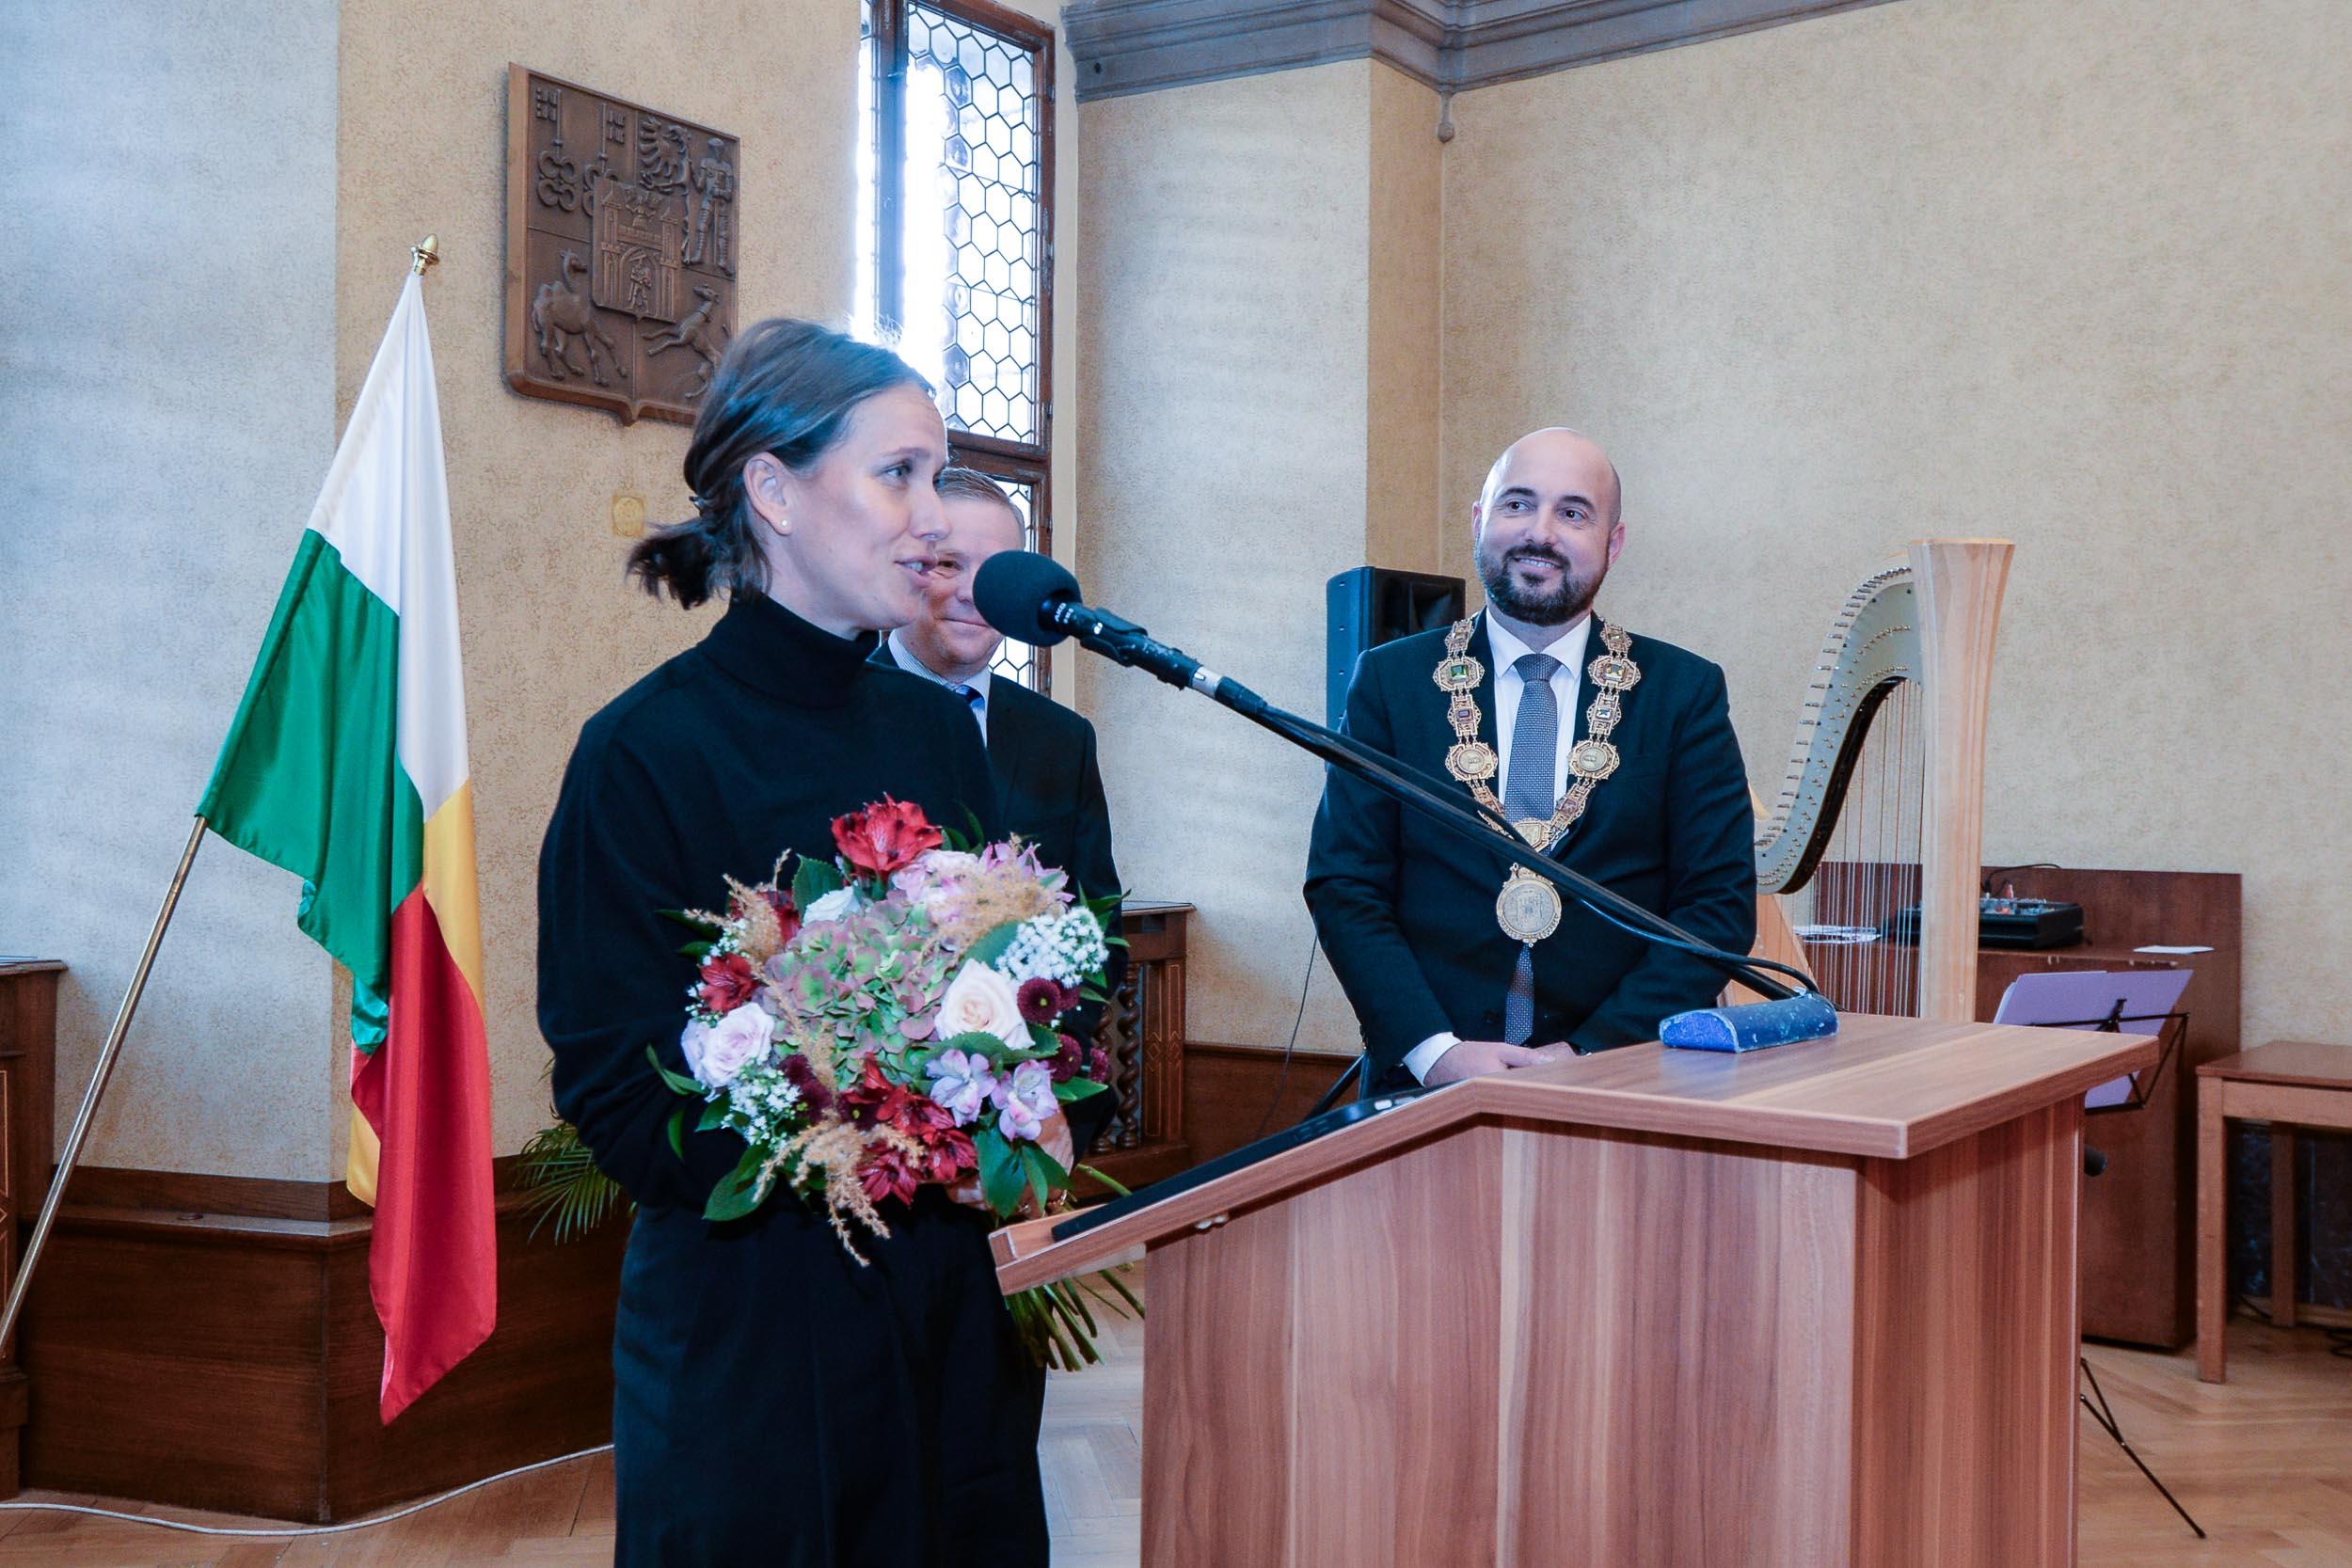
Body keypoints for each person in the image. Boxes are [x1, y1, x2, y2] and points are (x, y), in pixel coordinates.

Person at [538, 320, 1054, 1566]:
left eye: (938, 474)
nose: (934, 519)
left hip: (951, 1322)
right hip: (757, 1342)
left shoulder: (936, 733)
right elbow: (616, 1093)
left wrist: (1016, 1092)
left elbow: (1009, 987)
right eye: (899, 474)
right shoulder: (644, 753)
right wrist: (850, 1116)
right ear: (772, 489)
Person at [1304, 427, 1756, 1091]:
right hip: (1423, 1088)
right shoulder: (1390, 682)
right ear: (1479, 521)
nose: (1539, 533)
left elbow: (1716, 906)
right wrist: (1434, 1052)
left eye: (1572, 513)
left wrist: (1594, 1054)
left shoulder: (1683, 692)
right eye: (1517, 504)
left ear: (1613, 544)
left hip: (1621, 1087)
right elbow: (1345, 884)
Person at [876, 467, 1126, 1151]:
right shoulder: (837, 713)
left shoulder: (1062, 739)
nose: (971, 593)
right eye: (948, 564)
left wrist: (1040, 1069)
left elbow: (1097, 926)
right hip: (881, 1108)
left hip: (1032, 1110)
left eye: (994, 574)